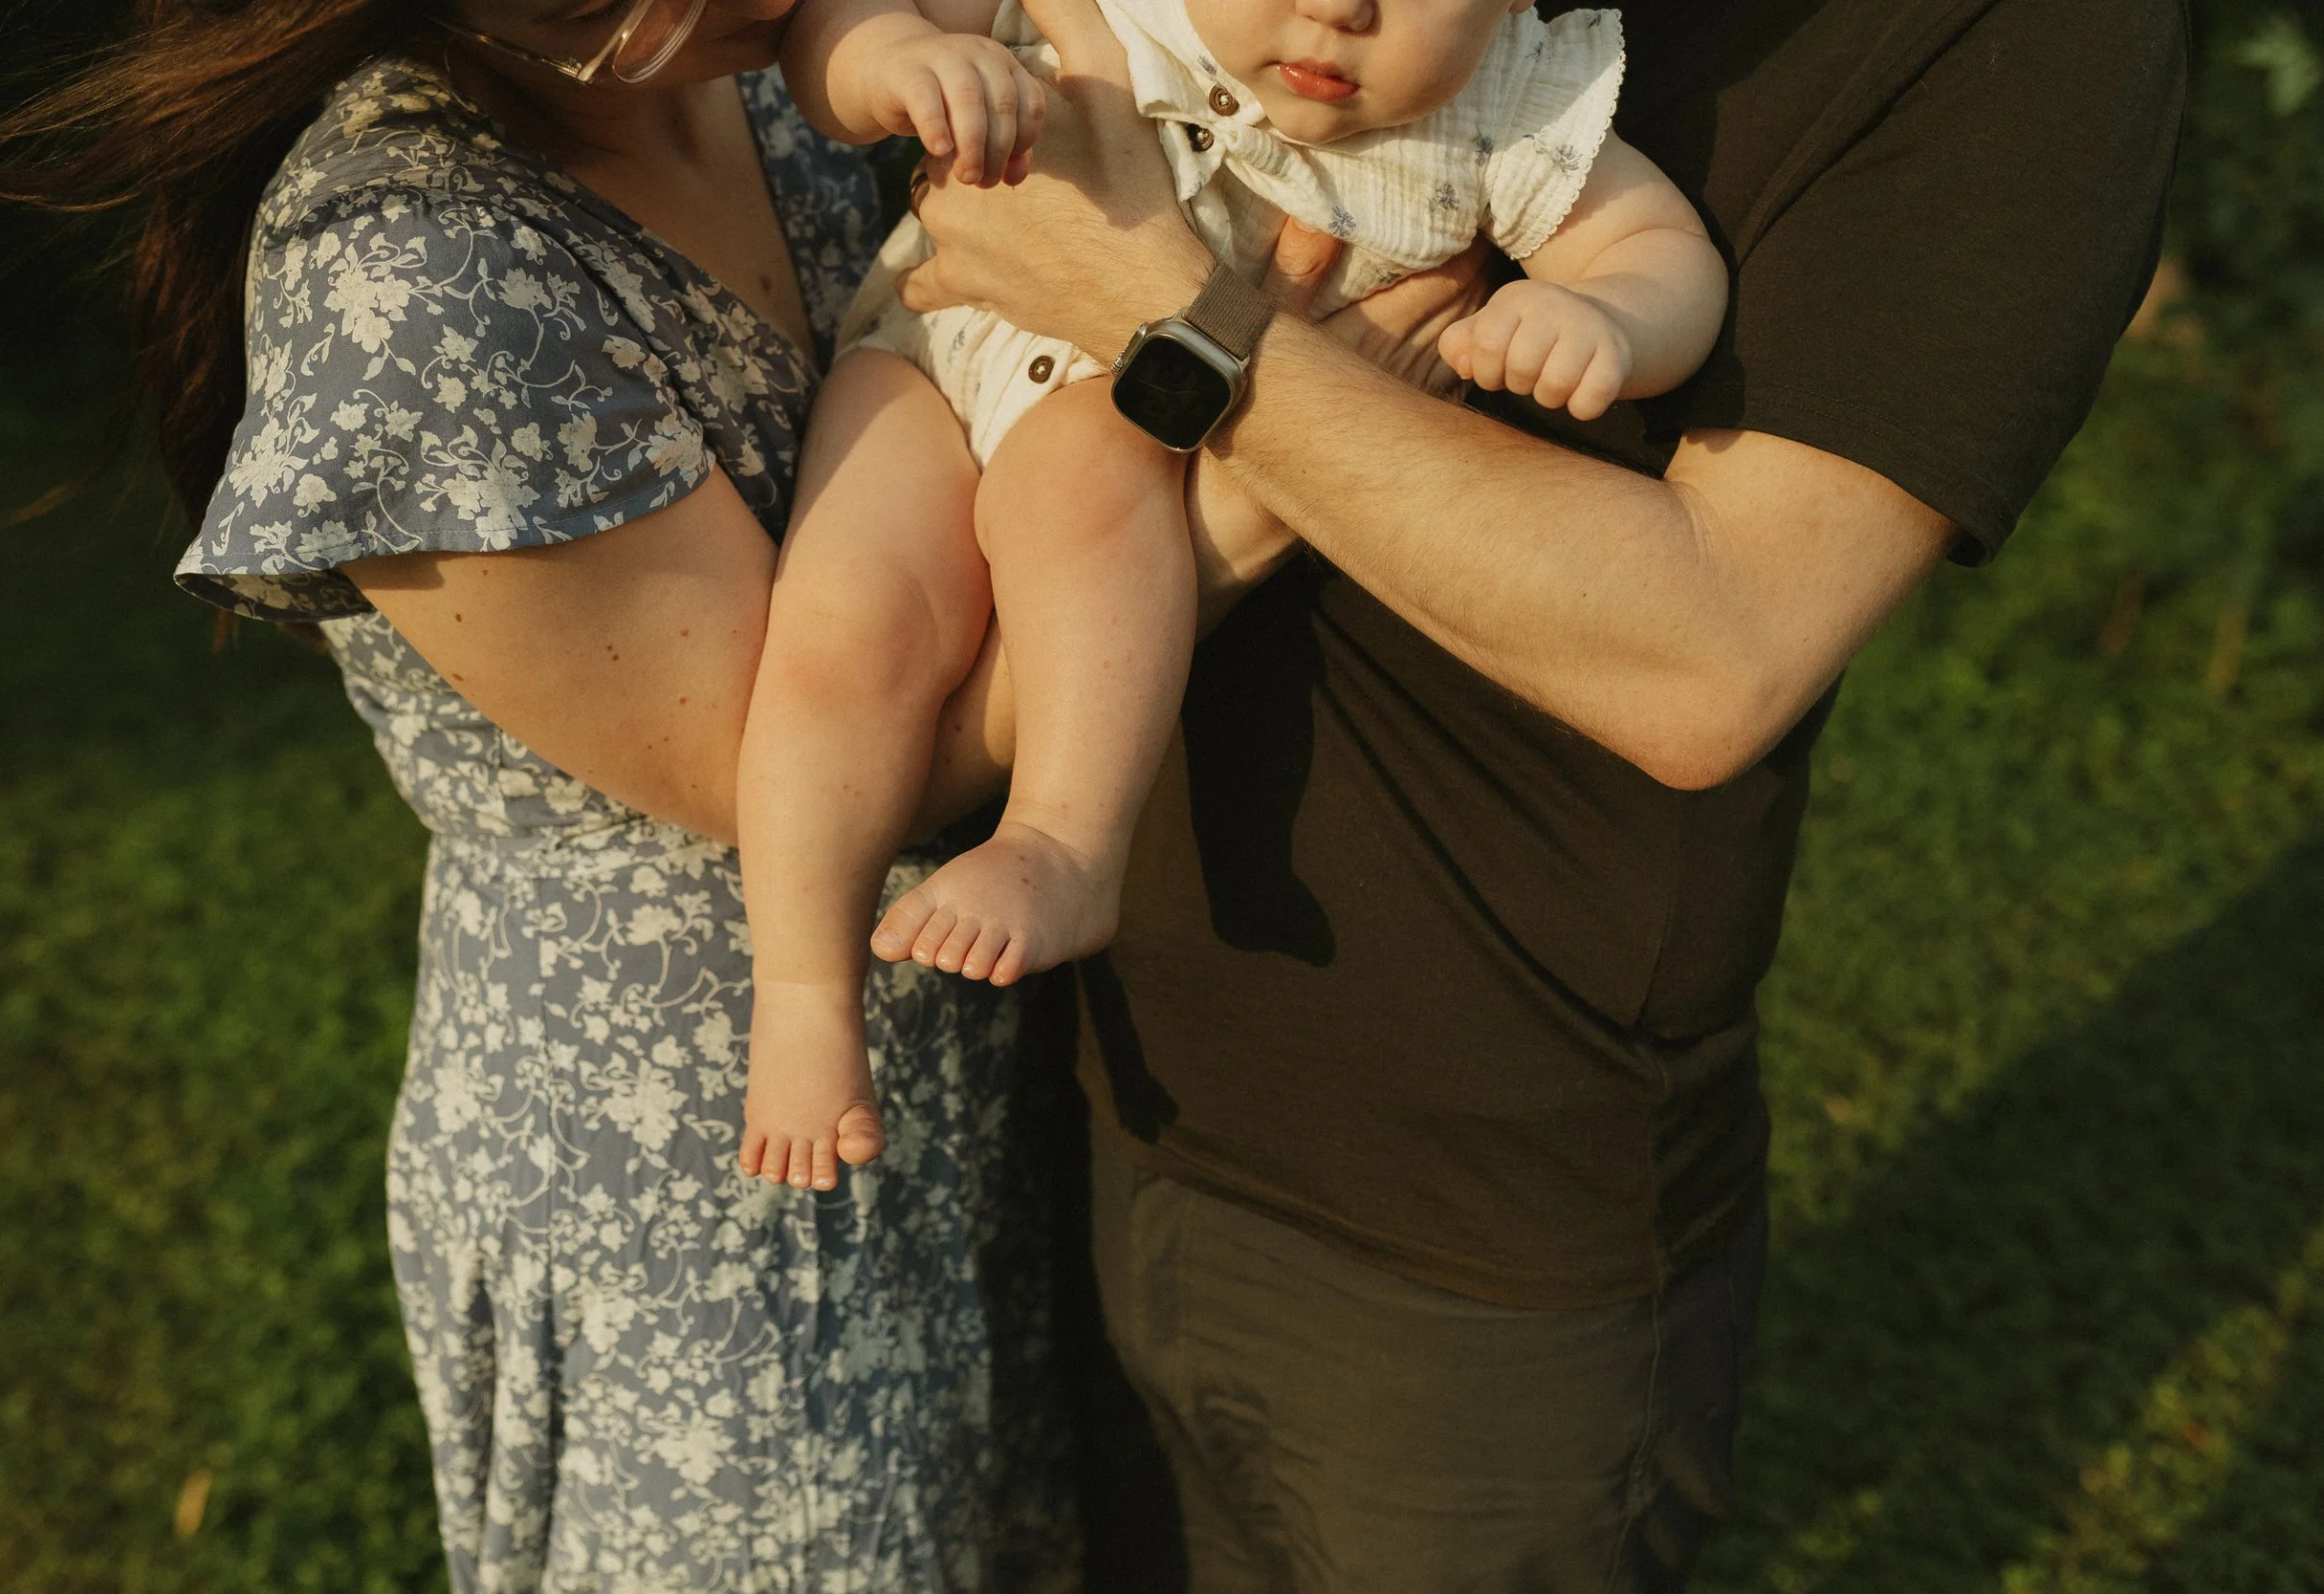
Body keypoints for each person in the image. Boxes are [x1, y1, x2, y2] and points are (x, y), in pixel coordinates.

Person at [890, 0, 2192, 1586]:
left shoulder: (2022, 35)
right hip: (1101, 1081)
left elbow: (1712, 652)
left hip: (1464, 1241)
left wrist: (1162, 308)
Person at [0, 0, 1088, 1584]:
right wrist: (1254, 464)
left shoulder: (763, 71)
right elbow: (824, 764)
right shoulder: (417, 283)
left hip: (979, 1062)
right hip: (704, 1182)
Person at [728, 0, 1728, 1194]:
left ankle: (1063, 838)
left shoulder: (1511, 107)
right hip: (934, 350)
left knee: (1077, 492)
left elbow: (1662, 255)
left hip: (1118, 419)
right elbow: (834, 23)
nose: (1336, 8)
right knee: (837, 625)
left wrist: (1603, 313)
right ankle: (797, 994)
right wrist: (896, 63)